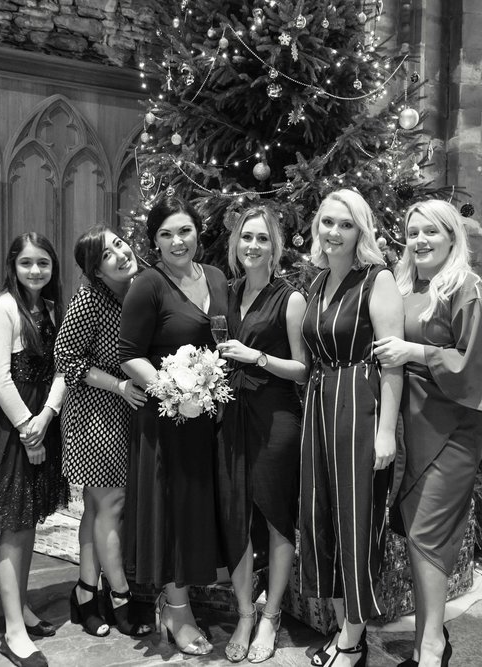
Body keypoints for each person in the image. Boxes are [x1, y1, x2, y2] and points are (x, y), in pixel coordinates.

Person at [372, 199, 482, 667]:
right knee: (420, 535)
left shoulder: (467, 288)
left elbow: (474, 365)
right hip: (412, 428)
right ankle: (431, 636)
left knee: (428, 533)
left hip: (452, 429)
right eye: (413, 231)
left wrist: (413, 351)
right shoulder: (407, 286)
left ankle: (431, 646)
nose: (420, 240)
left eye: (431, 233)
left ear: (451, 237)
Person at [118, 196, 229, 656]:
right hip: (167, 419)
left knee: (200, 508)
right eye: (165, 234)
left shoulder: (219, 278)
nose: (177, 241)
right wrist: (173, 391)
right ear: (154, 242)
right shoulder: (148, 284)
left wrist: (208, 394)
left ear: (197, 233)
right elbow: (129, 353)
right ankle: (177, 609)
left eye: (184, 230)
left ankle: (187, 595)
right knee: (173, 510)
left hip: (211, 418)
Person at [299, 189, 404, 667]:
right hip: (320, 405)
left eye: (344, 224)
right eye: (326, 222)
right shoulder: (319, 281)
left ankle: (355, 639)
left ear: (360, 230)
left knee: (356, 520)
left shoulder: (376, 280)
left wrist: (385, 433)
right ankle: (343, 625)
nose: (333, 232)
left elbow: (393, 364)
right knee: (322, 516)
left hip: (360, 404)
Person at [214, 207, 308, 663]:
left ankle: (269, 616)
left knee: (274, 515)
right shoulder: (227, 294)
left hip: (275, 418)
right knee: (235, 515)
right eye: (246, 237)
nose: (253, 245)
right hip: (231, 417)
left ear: (275, 246)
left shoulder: (289, 298)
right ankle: (244, 614)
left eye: (262, 239)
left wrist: (257, 357)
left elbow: (303, 368)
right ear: (235, 245)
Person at [54, 225, 152, 639]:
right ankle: (121, 598)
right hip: (95, 414)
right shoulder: (90, 300)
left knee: (95, 510)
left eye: (119, 243)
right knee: (111, 506)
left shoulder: (134, 289)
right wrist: (117, 385)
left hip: (123, 410)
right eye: (107, 253)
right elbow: (65, 359)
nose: (119, 253)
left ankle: (84, 592)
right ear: (95, 270)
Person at [0, 232, 70, 667]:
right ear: (13, 266)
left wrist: (49, 415)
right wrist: (27, 428)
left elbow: (63, 368)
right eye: (26, 263)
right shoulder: (5, 308)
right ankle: (12, 631)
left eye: (43, 263)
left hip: (42, 421)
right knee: (14, 526)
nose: (35, 271)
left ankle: (20, 608)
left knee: (30, 520)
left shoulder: (53, 309)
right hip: (16, 425)